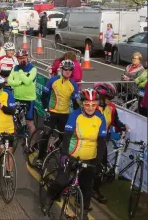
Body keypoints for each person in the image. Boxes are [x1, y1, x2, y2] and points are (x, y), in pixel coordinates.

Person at [42, 89, 107, 220]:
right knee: (62, 181)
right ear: (82, 104)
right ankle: (49, 199)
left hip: (90, 157)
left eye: (94, 104)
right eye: (87, 104)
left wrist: (98, 160)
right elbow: (67, 136)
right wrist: (65, 155)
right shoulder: (75, 115)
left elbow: (102, 141)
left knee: (87, 189)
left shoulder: (100, 117)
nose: (90, 107)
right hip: (72, 154)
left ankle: (83, 213)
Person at [38, 60, 81, 166]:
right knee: (46, 134)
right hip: (52, 112)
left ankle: (56, 151)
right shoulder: (53, 80)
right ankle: (40, 157)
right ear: (61, 70)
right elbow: (44, 96)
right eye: (65, 69)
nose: (67, 72)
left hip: (65, 114)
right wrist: (46, 109)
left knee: (64, 137)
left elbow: (75, 103)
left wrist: (78, 115)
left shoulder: (73, 85)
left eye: (70, 70)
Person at [92, 82, 129, 203]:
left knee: (100, 167)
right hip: (89, 140)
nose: (110, 100)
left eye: (111, 98)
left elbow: (115, 122)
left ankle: (94, 190)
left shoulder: (112, 108)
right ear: (101, 97)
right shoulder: (92, 106)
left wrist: (123, 127)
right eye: (108, 98)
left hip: (102, 141)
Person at [7, 49, 37, 137]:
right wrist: (19, 83)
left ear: (27, 58)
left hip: (29, 99)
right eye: (19, 58)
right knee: (14, 119)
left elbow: (27, 81)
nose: (22, 60)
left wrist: (20, 72)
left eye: (23, 58)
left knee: (29, 123)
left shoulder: (32, 68)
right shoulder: (15, 68)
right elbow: (9, 81)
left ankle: (33, 143)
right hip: (17, 97)